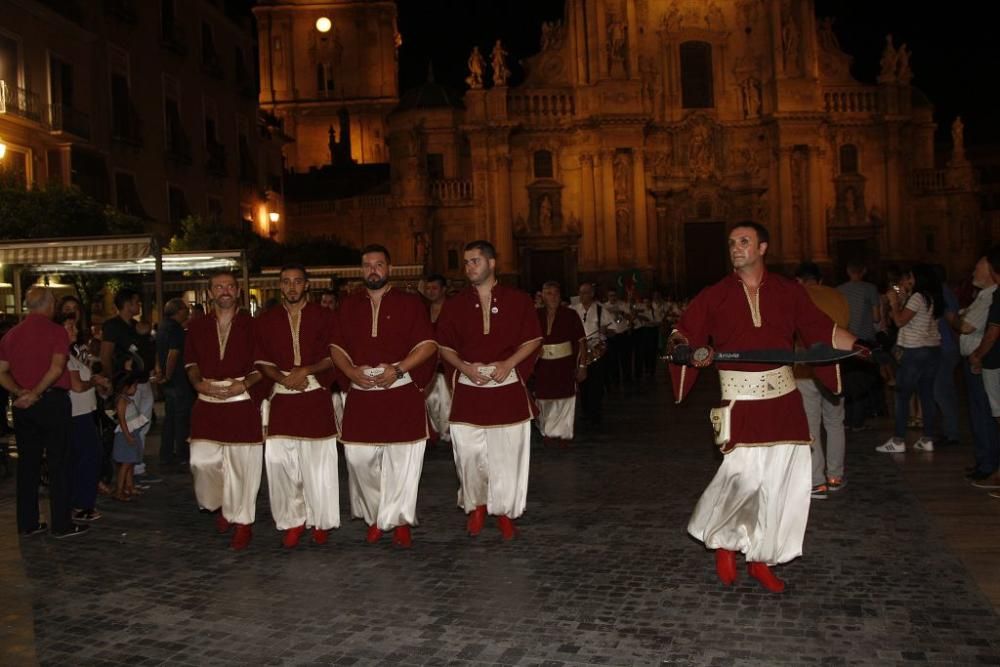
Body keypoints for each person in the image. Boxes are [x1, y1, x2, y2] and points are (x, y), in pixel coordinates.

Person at [667, 222, 859, 592]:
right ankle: (725, 541)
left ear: (763, 247)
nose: (736, 248)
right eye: (732, 243)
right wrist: (683, 349)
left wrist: (864, 344)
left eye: (744, 242)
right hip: (741, 401)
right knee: (741, 477)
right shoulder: (715, 294)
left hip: (785, 400)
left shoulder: (789, 292)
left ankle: (760, 558)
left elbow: (822, 329)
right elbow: (683, 332)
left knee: (782, 482)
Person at [331, 245, 437, 548]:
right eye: (367, 265)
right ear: (361, 269)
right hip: (362, 393)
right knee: (358, 457)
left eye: (379, 264)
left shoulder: (410, 303)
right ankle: (380, 514)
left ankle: (399, 520)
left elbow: (428, 345)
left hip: (400, 390)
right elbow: (336, 347)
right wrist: (350, 372)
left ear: (389, 268)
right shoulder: (349, 305)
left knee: (403, 461)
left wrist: (400, 369)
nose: (373, 270)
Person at [436, 241, 542, 539]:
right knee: (468, 455)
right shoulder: (455, 305)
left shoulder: (518, 300)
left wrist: (508, 364)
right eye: (466, 262)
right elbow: (444, 347)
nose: (469, 266)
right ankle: (477, 505)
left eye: (476, 261)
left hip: (506, 387)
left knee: (507, 455)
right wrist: (465, 368)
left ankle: (505, 512)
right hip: (470, 388)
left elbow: (533, 339)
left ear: (492, 263)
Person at [255, 264, 340, 548]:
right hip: (282, 398)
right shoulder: (266, 320)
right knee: (280, 463)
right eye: (286, 282)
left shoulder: (325, 316)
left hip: (314, 395)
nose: (292, 287)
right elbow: (262, 359)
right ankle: (293, 520)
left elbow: (335, 355)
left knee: (318, 463)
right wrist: (284, 378)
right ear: (280, 286)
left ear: (307, 285)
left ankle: (320, 520)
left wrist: (306, 370)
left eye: (297, 282)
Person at [184, 272, 266, 550]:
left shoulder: (253, 326)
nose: (225, 291)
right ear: (210, 292)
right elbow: (191, 362)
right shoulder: (197, 327)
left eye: (230, 286)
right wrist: (197, 383)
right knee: (201, 461)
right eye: (218, 287)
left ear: (238, 291)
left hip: (241, 401)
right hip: (207, 403)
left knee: (242, 467)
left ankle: (242, 522)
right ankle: (222, 504)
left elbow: (262, 366)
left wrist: (243, 384)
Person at [0, 287, 88, 538]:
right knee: (59, 461)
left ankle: (27, 522)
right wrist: (36, 392)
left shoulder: (11, 335)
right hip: (51, 402)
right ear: (49, 305)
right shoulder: (55, 331)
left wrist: (20, 393)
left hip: (23, 407)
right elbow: (57, 368)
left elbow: (1, 371)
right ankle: (61, 523)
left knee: (28, 464)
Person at [792, 262, 851, 499]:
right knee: (835, 422)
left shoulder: (796, 297)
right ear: (820, 280)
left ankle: (817, 482)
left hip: (805, 368)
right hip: (835, 365)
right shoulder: (838, 297)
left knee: (810, 425)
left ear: (799, 280)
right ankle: (835, 476)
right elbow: (845, 328)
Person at [876, 264, 943, 453]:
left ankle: (898, 440)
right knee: (926, 394)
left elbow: (899, 321)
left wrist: (895, 303)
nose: (907, 281)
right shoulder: (932, 297)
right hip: (932, 349)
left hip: (915, 351)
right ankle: (927, 438)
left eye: (910, 278)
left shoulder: (918, 297)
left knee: (902, 395)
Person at [62, 314, 109, 521]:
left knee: (83, 456)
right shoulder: (63, 356)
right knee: (90, 455)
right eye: (69, 327)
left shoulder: (73, 355)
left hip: (82, 411)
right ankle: (81, 504)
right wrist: (93, 382)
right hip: (76, 413)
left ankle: (79, 502)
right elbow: (77, 386)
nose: (74, 331)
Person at [961, 254, 1000, 484]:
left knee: (990, 414)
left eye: (978, 267)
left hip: (991, 362)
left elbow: (991, 331)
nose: (974, 271)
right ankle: (988, 462)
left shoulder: (994, 296)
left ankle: (990, 465)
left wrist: (977, 355)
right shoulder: (988, 295)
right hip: (989, 361)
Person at [533, 281, 586, 445]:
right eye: (549, 293)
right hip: (543, 366)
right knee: (543, 399)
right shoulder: (535, 315)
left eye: (556, 293)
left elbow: (582, 341)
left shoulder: (570, 315)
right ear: (542, 296)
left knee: (565, 399)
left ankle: (564, 434)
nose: (553, 297)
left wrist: (583, 366)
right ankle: (547, 431)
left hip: (565, 365)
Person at [837, 261, 882, 431]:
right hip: (864, 340)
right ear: (863, 271)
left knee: (847, 381)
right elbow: (877, 317)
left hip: (845, 340)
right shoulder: (870, 289)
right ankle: (859, 420)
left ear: (848, 271)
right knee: (863, 381)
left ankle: (847, 419)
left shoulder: (839, 290)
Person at [156, 298, 193, 467]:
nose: (188, 311)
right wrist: (168, 375)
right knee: (181, 419)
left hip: (170, 381)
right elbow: (173, 354)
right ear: (179, 310)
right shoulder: (176, 329)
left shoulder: (162, 326)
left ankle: (166, 453)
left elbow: (159, 352)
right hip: (178, 380)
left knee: (170, 418)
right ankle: (181, 454)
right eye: (186, 308)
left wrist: (161, 373)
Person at [571, 283, 609, 425]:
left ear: (592, 294)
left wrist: (603, 335)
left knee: (597, 382)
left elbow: (609, 329)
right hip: (580, 352)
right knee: (583, 382)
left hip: (596, 351)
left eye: (585, 293)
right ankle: (586, 410)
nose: (582, 296)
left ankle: (595, 411)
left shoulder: (601, 310)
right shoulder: (573, 310)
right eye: (580, 293)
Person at [422, 274, 452, 444]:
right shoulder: (422, 310)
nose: (430, 292)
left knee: (448, 398)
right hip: (427, 363)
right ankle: (432, 432)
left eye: (434, 288)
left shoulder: (453, 309)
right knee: (429, 398)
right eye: (428, 288)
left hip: (448, 363)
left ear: (443, 290)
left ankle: (448, 432)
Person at [111, 370, 146, 501]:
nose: (136, 389)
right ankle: (119, 490)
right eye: (134, 386)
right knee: (126, 464)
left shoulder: (127, 399)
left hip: (132, 433)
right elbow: (122, 420)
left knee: (130, 462)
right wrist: (127, 436)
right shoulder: (122, 400)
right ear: (126, 386)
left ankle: (129, 486)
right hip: (127, 435)